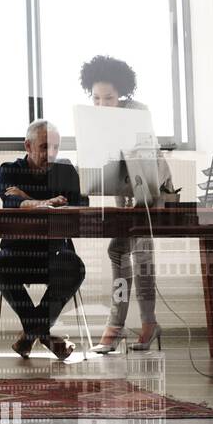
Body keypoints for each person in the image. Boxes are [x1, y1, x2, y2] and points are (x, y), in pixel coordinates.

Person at [79, 54, 170, 353]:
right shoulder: (94, 118)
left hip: (151, 186)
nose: (102, 104)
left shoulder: (137, 111)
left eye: (109, 98)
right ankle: (117, 326)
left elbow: (146, 156)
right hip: (123, 187)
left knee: (141, 253)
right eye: (96, 98)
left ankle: (146, 324)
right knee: (118, 249)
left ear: (122, 93)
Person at [0, 119, 87, 361]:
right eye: (44, 147)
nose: (51, 153)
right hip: (17, 251)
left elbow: (80, 205)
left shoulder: (65, 171)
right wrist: (47, 202)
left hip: (54, 252)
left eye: (56, 147)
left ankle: (29, 335)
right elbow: (10, 202)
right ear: (27, 146)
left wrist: (29, 199)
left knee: (74, 267)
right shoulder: (9, 169)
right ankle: (45, 335)